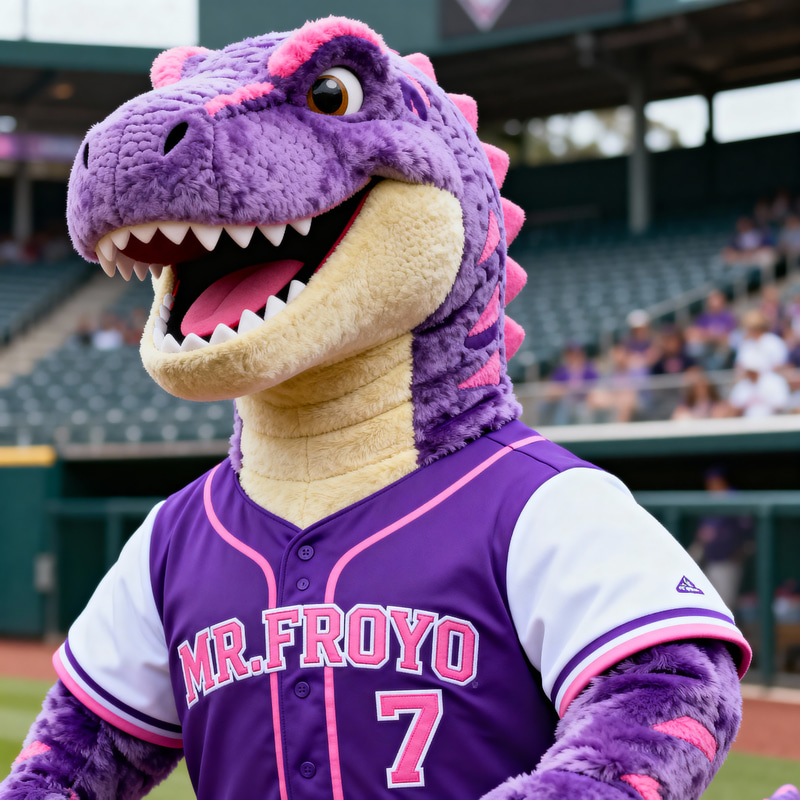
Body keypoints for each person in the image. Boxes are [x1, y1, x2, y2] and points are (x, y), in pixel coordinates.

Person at [689, 467, 753, 612]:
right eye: (710, 482)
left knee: (725, 603)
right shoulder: (710, 500)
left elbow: (747, 531)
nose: (712, 485)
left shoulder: (735, 498)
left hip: (728, 561)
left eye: (716, 482)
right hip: (709, 560)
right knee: (710, 602)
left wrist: (739, 553)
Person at [542, 343, 598, 424]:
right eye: (570, 354)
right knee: (561, 406)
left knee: (583, 409)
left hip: (583, 403)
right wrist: (564, 390)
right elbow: (552, 390)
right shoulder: (560, 371)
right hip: (565, 403)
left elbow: (595, 388)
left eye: (576, 354)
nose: (573, 356)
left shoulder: (590, 370)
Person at [728, 347, 790, 418]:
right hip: (745, 425)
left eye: (752, 371)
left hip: (773, 423)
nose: (750, 374)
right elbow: (733, 407)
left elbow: (782, 405)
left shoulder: (775, 381)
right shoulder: (741, 386)